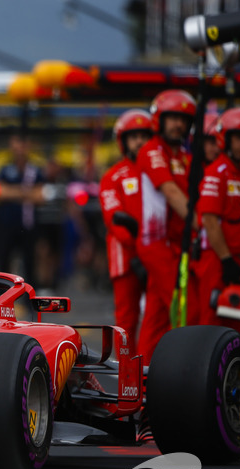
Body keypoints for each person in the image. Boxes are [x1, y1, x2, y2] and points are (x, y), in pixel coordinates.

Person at [134, 89, 196, 360]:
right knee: (186, 308)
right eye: (172, 118)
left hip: (175, 245)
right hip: (157, 243)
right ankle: (182, 368)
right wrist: (202, 227)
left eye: (183, 119)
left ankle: (141, 378)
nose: (178, 124)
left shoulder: (183, 155)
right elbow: (171, 192)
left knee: (157, 317)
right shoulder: (152, 150)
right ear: (159, 119)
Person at [194, 107, 240, 330]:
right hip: (217, 262)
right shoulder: (217, 172)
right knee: (212, 324)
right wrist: (226, 259)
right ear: (227, 138)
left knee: (235, 326)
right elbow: (210, 221)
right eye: (239, 138)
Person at [99, 109, 153, 355]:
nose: (140, 141)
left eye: (144, 135)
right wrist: (136, 254)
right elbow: (115, 221)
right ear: (123, 141)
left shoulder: (160, 174)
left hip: (158, 258)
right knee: (127, 322)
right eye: (134, 136)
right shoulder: (112, 177)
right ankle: (127, 377)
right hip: (125, 261)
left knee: (160, 319)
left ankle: (154, 371)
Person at [0, 133, 45, 281]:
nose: (20, 147)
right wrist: (26, 192)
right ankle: (2, 298)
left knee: (30, 266)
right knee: (3, 265)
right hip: (5, 225)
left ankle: (28, 301)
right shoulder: (3, 169)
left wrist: (10, 191)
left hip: (28, 225)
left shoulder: (35, 170)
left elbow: (40, 196)